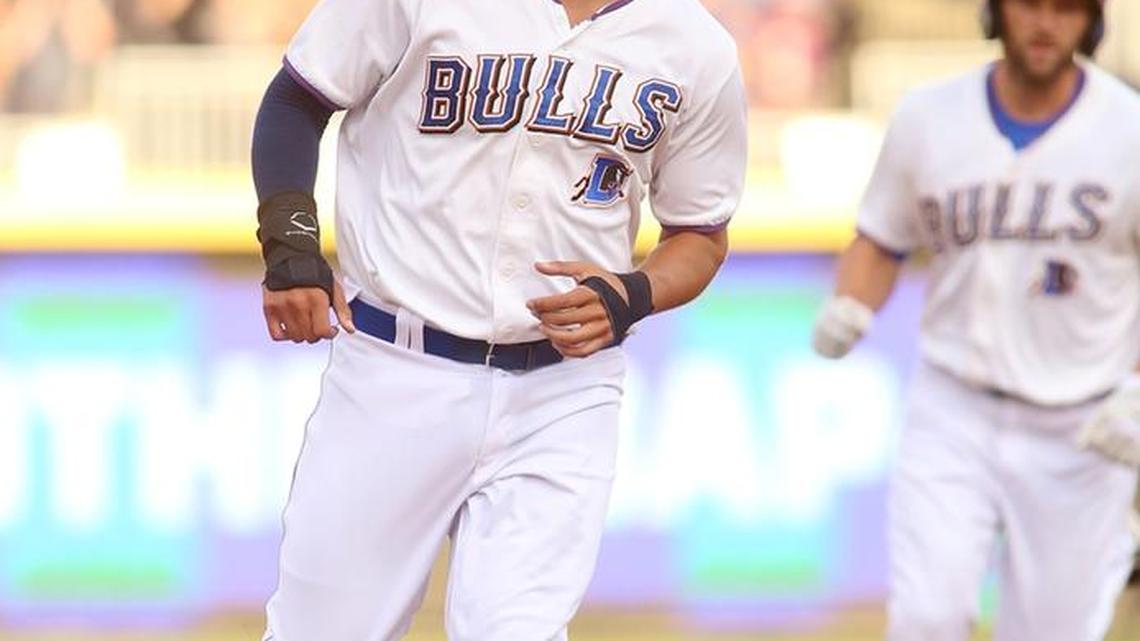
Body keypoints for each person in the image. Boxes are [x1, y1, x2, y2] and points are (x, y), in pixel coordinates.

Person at [249, 0, 747, 638]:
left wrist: (636, 293)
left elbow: (700, 234)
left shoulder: (693, 42)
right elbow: (297, 100)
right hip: (396, 368)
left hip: (565, 388)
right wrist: (290, 246)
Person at [811, 1, 1140, 639]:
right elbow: (881, 237)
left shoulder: (1130, 129)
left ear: (1093, 18)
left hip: (1084, 421)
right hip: (954, 404)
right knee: (927, 618)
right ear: (994, 11)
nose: (1046, 23)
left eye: (1067, 6)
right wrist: (851, 302)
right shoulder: (928, 118)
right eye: (1028, 3)